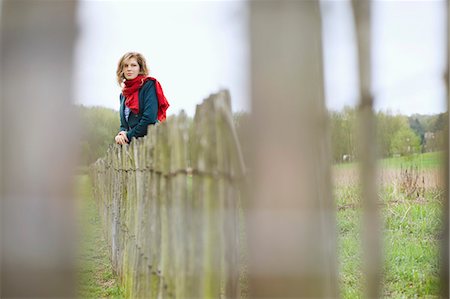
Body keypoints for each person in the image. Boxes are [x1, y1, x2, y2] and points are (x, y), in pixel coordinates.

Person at [114, 52, 169, 145]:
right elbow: (124, 124)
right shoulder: (123, 95)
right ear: (122, 69)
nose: (129, 69)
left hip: (150, 142)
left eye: (133, 65)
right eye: (126, 66)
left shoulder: (148, 85)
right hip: (133, 145)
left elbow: (149, 119)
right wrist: (120, 134)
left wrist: (128, 135)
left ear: (140, 68)